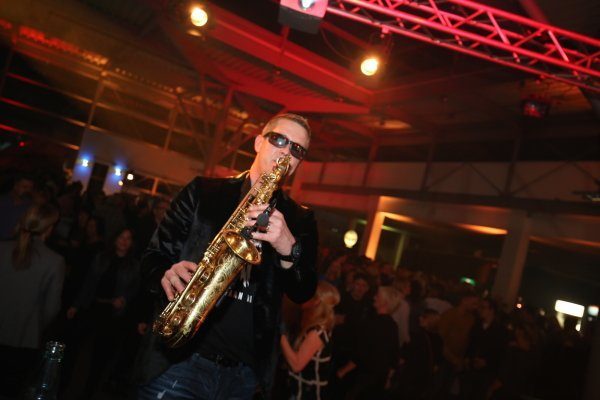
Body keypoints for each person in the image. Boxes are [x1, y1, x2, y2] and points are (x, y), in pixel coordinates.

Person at [137, 113, 318, 400]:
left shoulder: (300, 219)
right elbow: (153, 255)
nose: (287, 152)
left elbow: (303, 290)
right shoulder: (203, 191)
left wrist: (288, 246)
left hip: (243, 378)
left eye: (297, 149)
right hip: (180, 362)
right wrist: (165, 273)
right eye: (279, 140)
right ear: (258, 143)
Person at [0, 204, 64, 398]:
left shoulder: (2, 248)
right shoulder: (54, 261)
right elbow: (52, 308)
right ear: (48, 229)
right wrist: (34, 325)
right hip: (24, 338)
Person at [281, 280, 340, 400]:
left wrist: (280, 334)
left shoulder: (317, 332)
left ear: (316, 301)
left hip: (307, 395)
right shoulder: (312, 322)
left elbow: (296, 365)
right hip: (299, 391)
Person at [0, 174, 35, 240]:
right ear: (15, 186)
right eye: (25, 187)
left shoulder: (30, 206)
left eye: (30, 188)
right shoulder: (2, 200)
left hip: (15, 242)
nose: (28, 190)